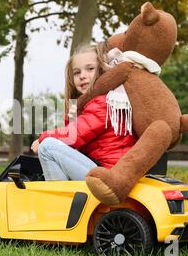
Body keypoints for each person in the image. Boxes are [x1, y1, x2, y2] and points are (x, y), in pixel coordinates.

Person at [31, 43, 137, 181]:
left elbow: (74, 136)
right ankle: (63, 197)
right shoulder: (88, 103)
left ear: (102, 70)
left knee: (47, 147)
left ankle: (61, 200)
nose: (82, 76)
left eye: (90, 69)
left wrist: (42, 138)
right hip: (101, 168)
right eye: (77, 72)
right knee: (54, 151)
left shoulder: (104, 101)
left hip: (110, 173)